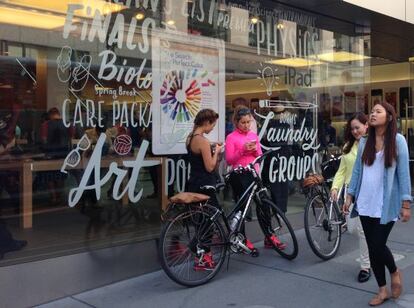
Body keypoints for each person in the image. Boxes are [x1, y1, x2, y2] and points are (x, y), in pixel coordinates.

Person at [344, 102, 411, 306]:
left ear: (389, 117)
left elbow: (403, 173)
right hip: (365, 202)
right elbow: (357, 171)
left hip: (385, 203)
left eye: (377, 111)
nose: (372, 114)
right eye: (371, 111)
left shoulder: (398, 141)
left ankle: (394, 271)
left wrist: (406, 204)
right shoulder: (365, 141)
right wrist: (350, 195)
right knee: (374, 249)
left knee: (377, 244)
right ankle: (382, 290)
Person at [226, 105, 285, 252]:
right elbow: (229, 160)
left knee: (264, 205)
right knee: (243, 210)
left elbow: (259, 155)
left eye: (248, 122)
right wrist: (242, 150)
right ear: (236, 123)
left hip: (254, 175)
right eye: (243, 123)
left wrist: (254, 152)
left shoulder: (253, 135)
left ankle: (269, 236)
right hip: (239, 175)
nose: (246, 125)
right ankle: (242, 239)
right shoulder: (231, 137)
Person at [330, 112, 371, 283]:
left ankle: (365, 266)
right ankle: (375, 248)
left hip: (368, 192)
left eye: (358, 127)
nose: (355, 131)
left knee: (361, 230)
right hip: (350, 193)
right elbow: (342, 170)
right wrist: (335, 187)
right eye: (352, 128)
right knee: (353, 228)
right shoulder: (348, 146)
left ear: (366, 125)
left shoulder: (373, 144)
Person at [185, 109, 223, 270]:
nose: (213, 128)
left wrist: (211, 147)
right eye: (212, 124)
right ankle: (203, 255)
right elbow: (210, 166)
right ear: (206, 122)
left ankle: (201, 254)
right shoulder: (202, 141)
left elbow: (197, 157)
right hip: (205, 185)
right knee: (211, 218)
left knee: (200, 221)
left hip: (193, 182)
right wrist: (217, 152)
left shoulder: (190, 138)